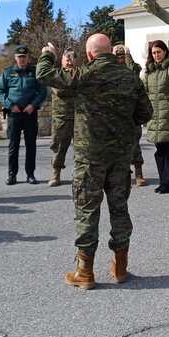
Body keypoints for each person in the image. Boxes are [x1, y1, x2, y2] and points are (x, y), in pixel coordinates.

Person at [36, 34, 153, 289]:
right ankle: (120, 267)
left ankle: (85, 272)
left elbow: (44, 73)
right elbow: (146, 113)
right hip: (121, 156)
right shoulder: (129, 77)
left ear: (90, 54)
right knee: (119, 208)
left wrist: (48, 53)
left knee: (87, 210)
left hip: (90, 157)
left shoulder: (83, 75)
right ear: (111, 51)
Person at [0, 45, 47, 185]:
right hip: (14, 114)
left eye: (24, 57)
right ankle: (12, 175)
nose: (22, 59)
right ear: (15, 58)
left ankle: (30, 175)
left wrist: (33, 105)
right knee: (13, 145)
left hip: (30, 113)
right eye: (20, 57)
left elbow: (43, 92)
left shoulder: (35, 72)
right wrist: (10, 105)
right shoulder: (7, 72)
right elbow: (1, 92)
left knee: (31, 145)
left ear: (28, 57)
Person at [142, 40, 169, 194]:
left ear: (165, 51)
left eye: (159, 52)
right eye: (153, 53)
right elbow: (145, 91)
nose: (156, 55)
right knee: (160, 150)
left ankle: (168, 182)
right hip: (154, 115)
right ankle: (165, 180)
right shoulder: (149, 70)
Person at [114, 44, 147, 187]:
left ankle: (139, 173)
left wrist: (128, 55)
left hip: (131, 113)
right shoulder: (111, 70)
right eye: (117, 56)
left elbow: (134, 70)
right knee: (118, 147)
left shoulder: (132, 69)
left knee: (135, 145)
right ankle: (123, 174)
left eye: (122, 56)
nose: (120, 59)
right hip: (116, 114)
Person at [48, 49, 77, 187]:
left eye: (72, 59)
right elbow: (59, 90)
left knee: (81, 149)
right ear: (62, 61)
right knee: (58, 148)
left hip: (79, 117)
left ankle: (79, 174)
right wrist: (73, 88)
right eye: (67, 59)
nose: (70, 61)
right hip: (61, 118)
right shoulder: (56, 74)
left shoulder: (80, 74)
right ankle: (56, 173)